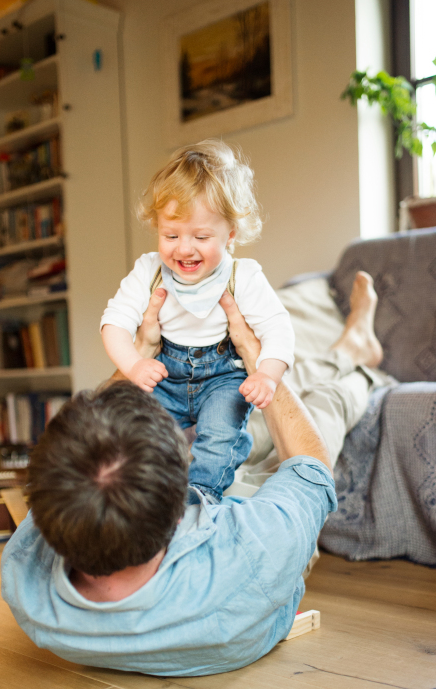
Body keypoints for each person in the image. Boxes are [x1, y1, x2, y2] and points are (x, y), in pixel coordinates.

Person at [1, 273, 386, 677]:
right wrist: (256, 359)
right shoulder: (256, 548)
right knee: (322, 406)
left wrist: (139, 355)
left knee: (243, 413)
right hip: (251, 557)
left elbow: (79, 445)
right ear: (180, 503)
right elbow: (312, 467)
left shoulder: (25, 579)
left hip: (190, 535)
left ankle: (346, 348)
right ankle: (357, 356)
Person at [100, 140, 294, 504]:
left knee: (219, 432)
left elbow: (278, 329)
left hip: (223, 377)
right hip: (165, 374)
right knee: (135, 433)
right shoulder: (149, 270)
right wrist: (134, 364)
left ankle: (199, 495)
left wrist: (267, 374)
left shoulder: (243, 275)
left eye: (201, 237)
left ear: (231, 235)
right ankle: (149, 494)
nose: (184, 249)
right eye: (170, 236)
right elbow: (114, 323)